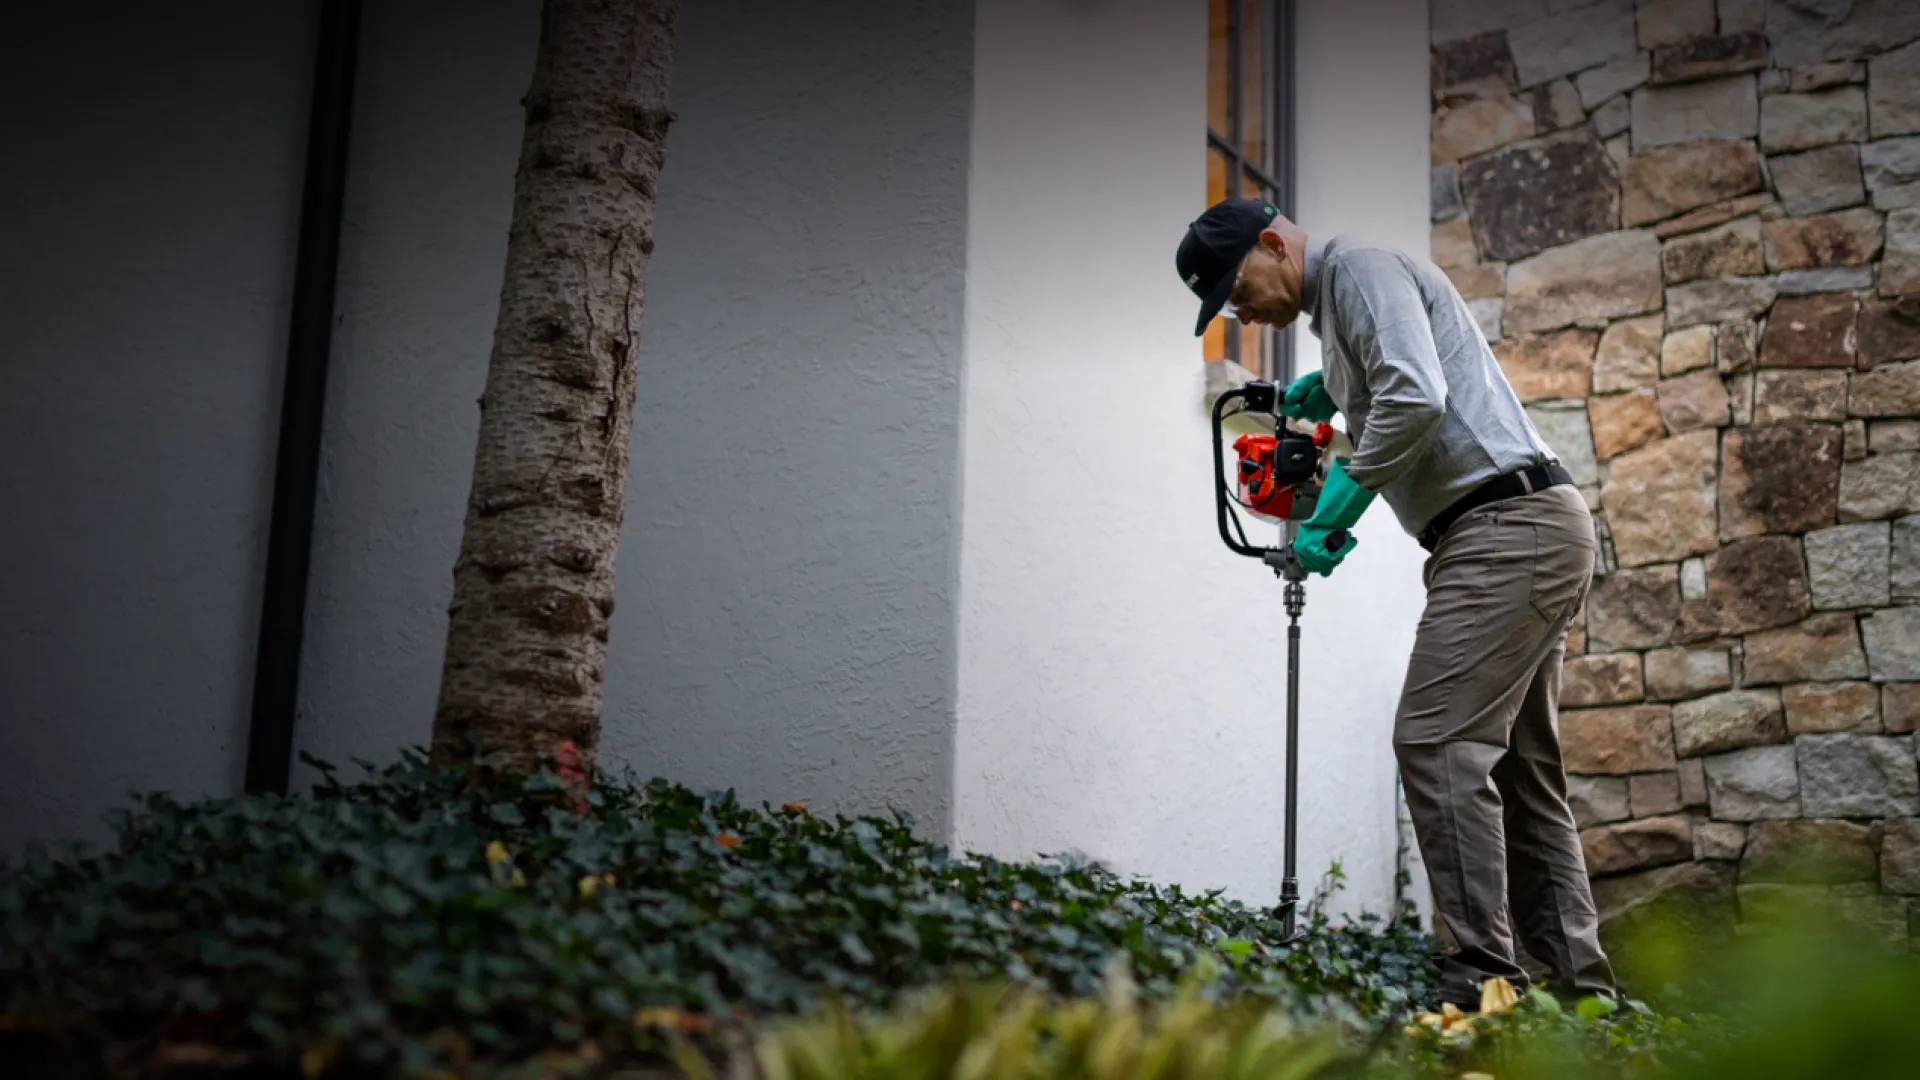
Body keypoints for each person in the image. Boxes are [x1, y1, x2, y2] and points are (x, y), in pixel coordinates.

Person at [1174, 196, 1617, 1011]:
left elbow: (1415, 396)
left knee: (1435, 739)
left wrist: (1339, 504)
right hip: (1518, 528)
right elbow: (1396, 381)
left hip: (1505, 527)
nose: (1237, 312)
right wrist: (1330, 391)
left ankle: (1481, 985)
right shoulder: (1343, 307)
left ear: (1274, 245)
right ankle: (1585, 1000)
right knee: (1520, 771)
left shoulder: (1358, 271)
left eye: (1235, 290)